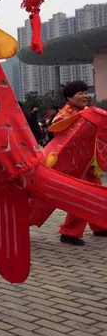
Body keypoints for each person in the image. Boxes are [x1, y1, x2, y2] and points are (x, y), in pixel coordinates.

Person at [52, 81, 107, 245]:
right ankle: (69, 232)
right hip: (74, 165)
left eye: (85, 92)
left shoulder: (87, 111)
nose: (84, 96)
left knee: (97, 193)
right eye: (80, 93)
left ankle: (100, 225)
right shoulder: (63, 116)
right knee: (82, 197)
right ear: (69, 97)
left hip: (89, 163)